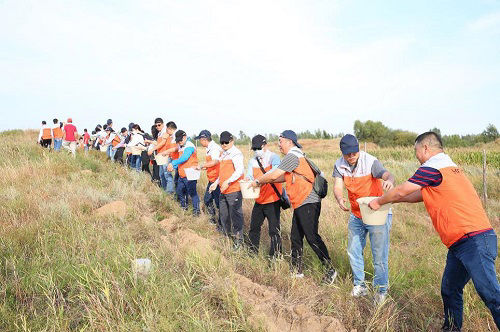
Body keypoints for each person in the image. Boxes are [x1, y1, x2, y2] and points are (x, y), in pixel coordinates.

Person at [369, 132, 499, 331]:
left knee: (491, 295)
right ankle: (451, 329)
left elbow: (403, 189)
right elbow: (416, 195)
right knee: (450, 289)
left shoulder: (433, 166)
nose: (416, 155)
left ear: (426, 148)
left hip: (474, 240)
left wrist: (379, 201)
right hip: (461, 243)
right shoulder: (448, 168)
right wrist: (393, 200)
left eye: (416, 150)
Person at [249, 130, 337, 284]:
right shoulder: (295, 157)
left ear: (289, 142)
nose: (279, 146)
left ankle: (330, 269)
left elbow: (275, 174)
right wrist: (265, 181)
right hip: (300, 202)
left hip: (308, 201)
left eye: (280, 142)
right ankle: (296, 271)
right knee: (296, 237)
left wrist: (257, 181)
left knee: (312, 237)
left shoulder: (293, 156)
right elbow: (283, 177)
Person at [333, 134, 395, 304]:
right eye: (348, 153)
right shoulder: (339, 165)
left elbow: (386, 174)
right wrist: (339, 198)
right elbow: (337, 186)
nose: (351, 156)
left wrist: (389, 181)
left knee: (379, 255)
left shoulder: (370, 162)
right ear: (342, 152)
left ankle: (381, 290)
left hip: (377, 214)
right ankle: (360, 285)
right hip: (356, 214)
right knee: (353, 250)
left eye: (354, 152)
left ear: (358, 149)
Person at [245, 134, 283, 258]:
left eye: (258, 148)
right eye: (254, 149)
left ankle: (275, 257)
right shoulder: (252, 161)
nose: (256, 151)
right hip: (260, 200)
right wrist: (247, 179)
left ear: (265, 145)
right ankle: (252, 253)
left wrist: (259, 180)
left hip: (273, 200)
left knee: (274, 231)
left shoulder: (273, 158)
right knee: (254, 228)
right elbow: (250, 176)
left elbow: (276, 172)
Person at [216, 131, 244, 248]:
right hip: (223, 190)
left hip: (233, 190)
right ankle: (226, 238)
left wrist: (228, 182)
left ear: (232, 141)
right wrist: (216, 183)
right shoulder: (223, 154)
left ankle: (238, 241)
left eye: (226, 142)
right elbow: (222, 173)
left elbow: (239, 171)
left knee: (236, 216)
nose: (224, 144)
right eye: (222, 142)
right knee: (224, 215)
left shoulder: (236, 154)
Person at [167, 130, 200, 215]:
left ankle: (196, 211)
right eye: (177, 141)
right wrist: (174, 166)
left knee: (192, 193)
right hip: (182, 174)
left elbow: (184, 158)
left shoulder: (189, 146)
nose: (179, 142)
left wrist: (173, 163)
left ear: (185, 137)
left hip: (190, 174)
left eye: (180, 140)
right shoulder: (181, 146)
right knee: (180, 191)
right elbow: (181, 161)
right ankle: (183, 207)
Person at [195, 130, 223, 227]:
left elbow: (215, 162)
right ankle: (212, 220)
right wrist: (202, 167)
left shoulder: (214, 148)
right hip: (212, 179)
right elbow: (211, 164)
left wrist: (202, 165)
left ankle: (221, 224)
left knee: (220, 204)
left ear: (204, 139)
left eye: (200, 140)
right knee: (207, 200)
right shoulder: (209, 148)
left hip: (217, 180)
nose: (199, 142)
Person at [148, 118, 173, 192]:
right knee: (161, 175)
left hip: (165, 156)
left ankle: (169, 192)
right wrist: (150, 142)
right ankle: (164, 190)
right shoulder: (159, 133)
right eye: (156, 126)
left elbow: (163, 143)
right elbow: (158, 143)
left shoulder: (165, 132)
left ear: (163, 124)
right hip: (160, 156)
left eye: (159, 125)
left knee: (167, 175)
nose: (157, 127)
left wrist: (152, 149)